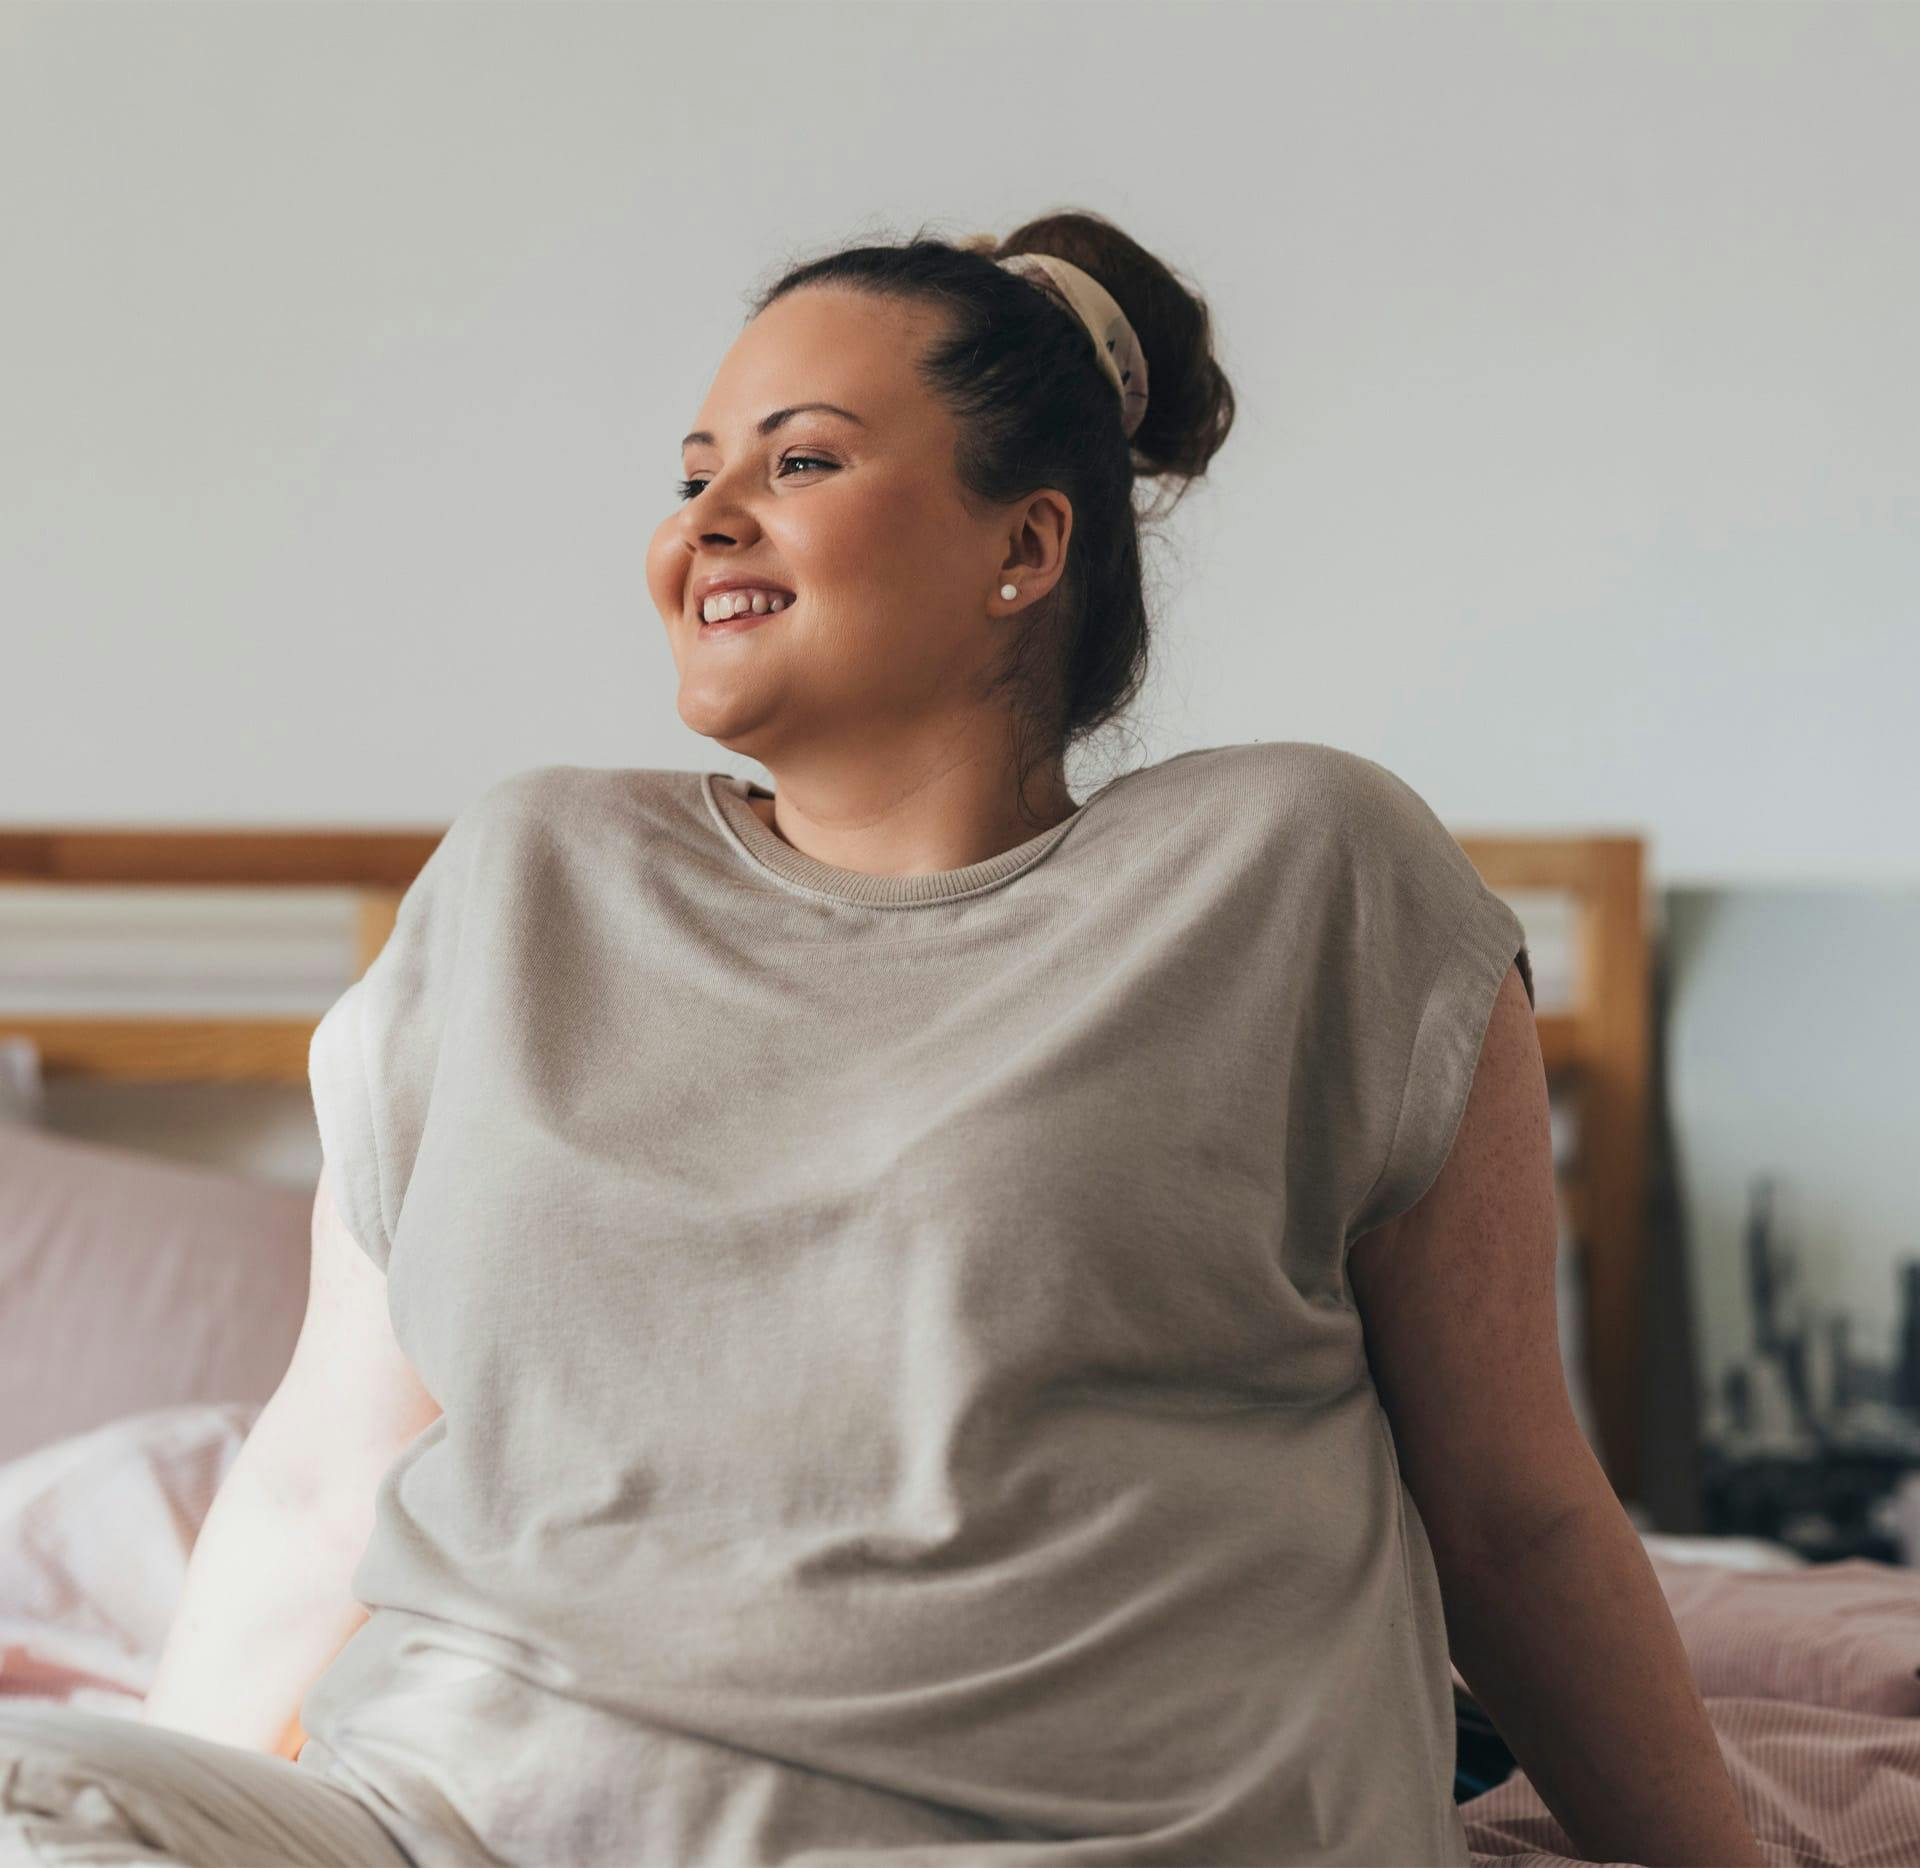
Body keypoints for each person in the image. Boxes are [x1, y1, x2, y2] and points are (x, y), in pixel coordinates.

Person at [0, 211, 1765, 1868]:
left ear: (1029, 543)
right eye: (694, 477)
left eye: (802, 460)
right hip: (458, 1820)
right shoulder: (524, 878)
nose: (705, 521)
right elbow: (320, 1483)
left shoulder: (1305, 873)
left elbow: (1518, 1516)